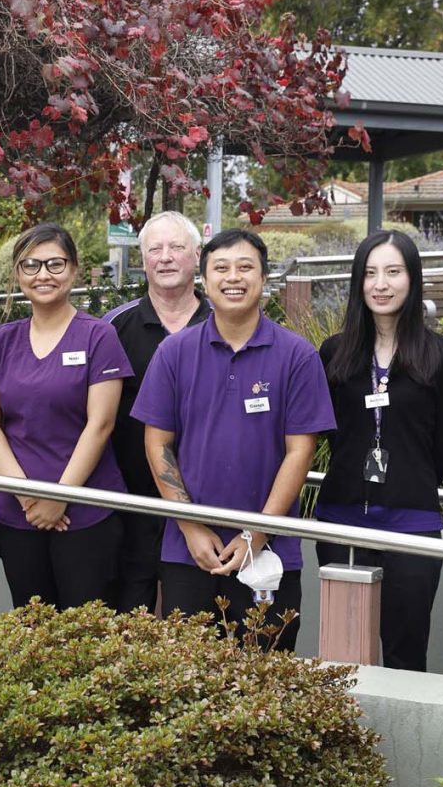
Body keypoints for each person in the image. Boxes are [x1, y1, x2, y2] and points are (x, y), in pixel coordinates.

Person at [133, 229, 334, 651]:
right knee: (189, 683)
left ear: (264, 279)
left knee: (268, 679)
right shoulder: (174, 353)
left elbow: (301, 450)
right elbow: (158, 444)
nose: (233, 277)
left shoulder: (298, 356)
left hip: (271, 553)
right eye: (220, 268)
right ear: (204, 281)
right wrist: (190, 526)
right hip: (187, 551)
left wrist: (255, 534)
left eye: (246, 267)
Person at [311, 230, 443, 670]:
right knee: (341, 652)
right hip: (342, 519)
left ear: (412, 279)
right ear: (358, 282)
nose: (381, 284)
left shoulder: (441, 355)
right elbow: (334, 436)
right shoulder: (334, 353)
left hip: (412, 522)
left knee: (406, 649)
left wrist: (404, 482)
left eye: (393, 272)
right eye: (371, 273)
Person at [0, 224, 131, 610]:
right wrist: (29, 497)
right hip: (17, 512)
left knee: (86, 634)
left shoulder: (98, 337)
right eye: (30, 265)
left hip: (87, 510)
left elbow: (101, 424)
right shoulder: (1, 340)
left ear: (74, 270)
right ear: (17, 274)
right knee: (33, 632)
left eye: (55, 264)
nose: (43, 274)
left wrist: (60, 497)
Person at [104, 211, 211, 613]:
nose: (165, 257)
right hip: (132, 507)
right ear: (143, 258)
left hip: (207, 509)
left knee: (199, 631)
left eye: (177, 247)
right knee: (129, 628)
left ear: (196, 256)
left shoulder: (223, 323)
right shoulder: (112, 329)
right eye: (155, 249)